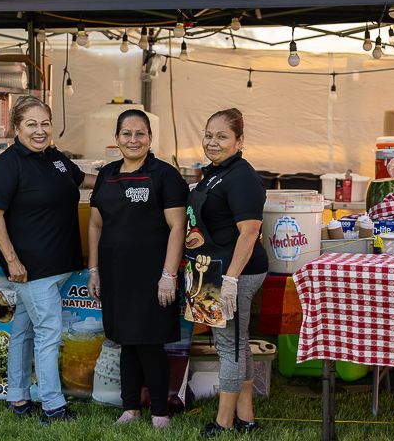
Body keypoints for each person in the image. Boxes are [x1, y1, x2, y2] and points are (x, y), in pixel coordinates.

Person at [0, 96, 96, 423]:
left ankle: (17, 397)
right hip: (32, 268)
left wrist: (121, 179)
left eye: (44, 123)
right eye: (31, 124)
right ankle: (52, 406)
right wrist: (12, 260)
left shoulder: (55, 158)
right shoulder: (8, 164)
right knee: (49, 333)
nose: (39, 130)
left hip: (60, 263)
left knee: (24, 330)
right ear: (16, 128)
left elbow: (82, 180)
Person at [87, 109, 188, 429]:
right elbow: (95, 224)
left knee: (150, 341)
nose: (133, 139)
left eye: (140, 133)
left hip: (153, 275)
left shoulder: (165, 175)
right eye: (127, 134)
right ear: (116, 139)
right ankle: (129, 407)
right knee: (125, 340)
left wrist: (168, 275)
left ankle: (159, 412)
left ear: (150, 138)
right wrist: (94, 270)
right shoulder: (107, 174)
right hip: (115, 273)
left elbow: (177, 227)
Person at [183, 109, 267, 437]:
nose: (213, 142)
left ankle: (224, 422)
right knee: (237, 341)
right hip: (214, 269)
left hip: (235, 272)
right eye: (209, 135)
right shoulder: (216, 172)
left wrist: (231, 280)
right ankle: (246, 417)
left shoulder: (242, 176)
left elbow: (249, 232)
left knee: (228, 344)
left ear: (239, 141)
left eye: (222, 136)